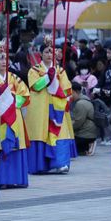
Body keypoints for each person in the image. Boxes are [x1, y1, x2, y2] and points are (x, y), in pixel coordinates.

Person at [25, 36, 76, 174]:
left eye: (52, 52)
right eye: (47, 52)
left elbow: (67, 89)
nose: (49, 55)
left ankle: (60, 163)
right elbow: (35, 86)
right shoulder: (34, 70)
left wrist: (64, 96)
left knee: (59, 132)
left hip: (57, 107)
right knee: (41, 132)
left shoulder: (60, 71)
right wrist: (48, 77)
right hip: (40, 108)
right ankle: (41, 165)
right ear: (41, 54)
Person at [0, 45, 30, 188]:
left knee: (15, 146)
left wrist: (11, 100)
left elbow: (25, 95)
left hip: (14, 115)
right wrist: (0, 97)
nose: (4, 61)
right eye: (0, 58)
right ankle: (0, 179)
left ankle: (15, 178)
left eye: (6, 58)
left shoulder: (14, 77)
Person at [70, 82, 98, 155]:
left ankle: (89, 145)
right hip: (87, 131)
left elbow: (78, 122)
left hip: (86, 133)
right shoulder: (83, 101)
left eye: (70, 92)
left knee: (70, 146)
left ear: (75, 92)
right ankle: (87, 146)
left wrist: (69, 129)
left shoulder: (80, 104)